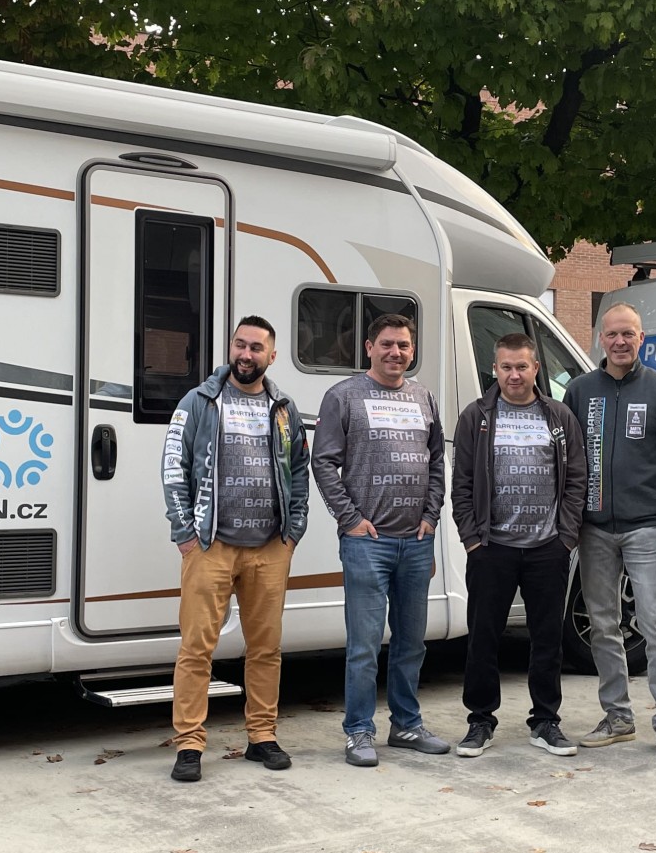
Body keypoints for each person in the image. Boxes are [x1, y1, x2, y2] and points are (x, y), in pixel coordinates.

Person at [161, 316, 309, 783]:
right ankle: (189, 743)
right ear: (231, 348)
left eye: (256, 348)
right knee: (196, 649)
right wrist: (185, 534)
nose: (246, 354)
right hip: (211, 546)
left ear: (272, 355)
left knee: (266, 649)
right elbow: (173, 467)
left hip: (269, 548)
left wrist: (293, 531)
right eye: (240, 345)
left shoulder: (283, 408)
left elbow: (299, 469)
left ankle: (262, 736)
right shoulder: (199, 401)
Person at [312, 312, 449, 766]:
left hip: (416, 542)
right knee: (365, 646)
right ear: (369, 347)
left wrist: (430, 516)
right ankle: (359, 731)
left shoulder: (424, 397)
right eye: (387, 344)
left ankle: (406, 725)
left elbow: (436, 461)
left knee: (411, 644)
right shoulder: (343, 396)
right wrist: (350, 519)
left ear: (413, 350)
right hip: (367, 543)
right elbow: (323, 462)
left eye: (403, 345)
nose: (396, 352)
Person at [563, 302, 656, 761]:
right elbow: (566, 459)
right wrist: (569, 518)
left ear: (642, 339)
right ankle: (618, 717)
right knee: (603, 625)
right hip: (594, 529)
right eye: (612, 334)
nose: (620, 342)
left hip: (648, 528)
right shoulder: (580, 391)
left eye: (628, 334)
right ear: (601, 339)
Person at [451, 333, 587, 758]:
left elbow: (577, 478)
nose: (514, 375)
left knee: (547, 639)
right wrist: (472, 539)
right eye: (506, 367)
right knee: (483, 638)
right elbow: (462, 483)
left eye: (522, 367)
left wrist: (566, 537)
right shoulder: (476, 416)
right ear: (495, 369)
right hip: (492, 547)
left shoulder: (558, 416)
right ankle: (480, 721)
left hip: (548, 547)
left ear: (535, 369)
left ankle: (545, 721)